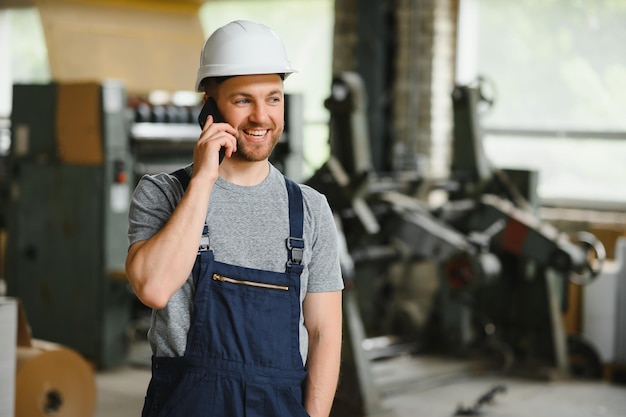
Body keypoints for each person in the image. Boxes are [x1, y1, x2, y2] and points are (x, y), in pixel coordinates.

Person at [125, 20, 344, 417]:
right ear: (209, 106)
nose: (262, 117)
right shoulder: (162, 193)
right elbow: (153, 289)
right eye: (243, 100)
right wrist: (204, 179)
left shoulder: (310, 209)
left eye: (273, 99)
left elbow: (324, 333)